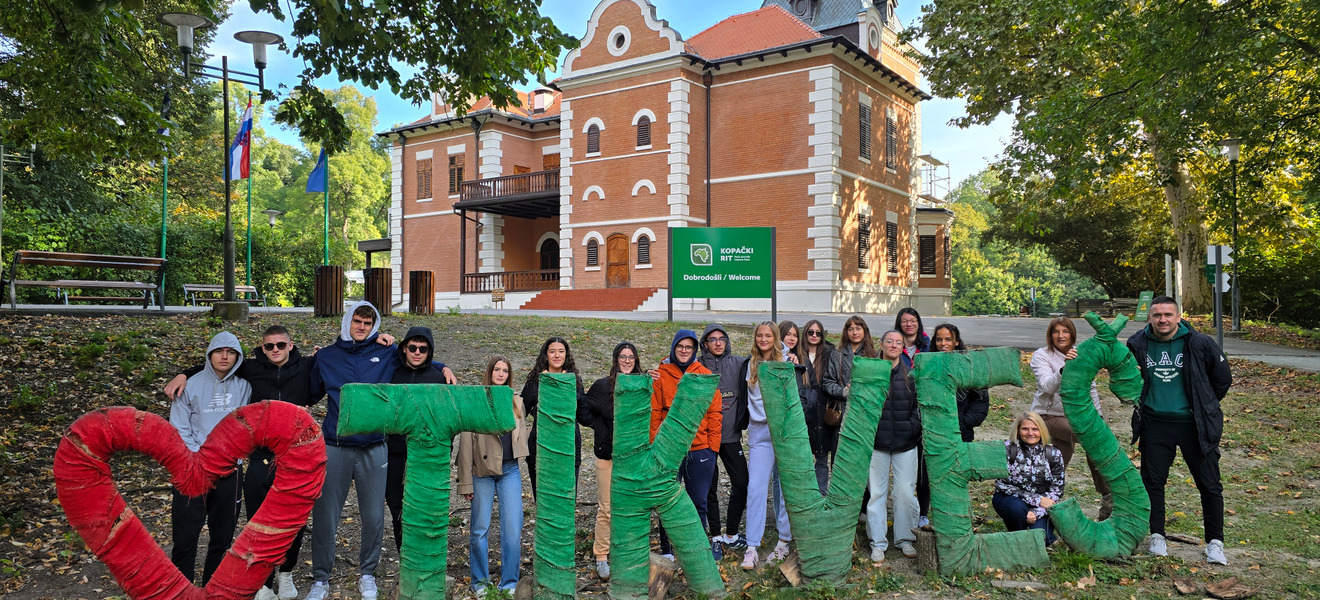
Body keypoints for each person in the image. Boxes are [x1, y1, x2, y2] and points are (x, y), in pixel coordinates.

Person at [163, 324, 328, 600]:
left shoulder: (288, 370)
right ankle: (187, 590)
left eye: (281, 345)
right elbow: (184, 419)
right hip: (211, 465)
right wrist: (183, 374)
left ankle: (243, 583)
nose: (275, 350)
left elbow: (334, 362)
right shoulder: (242, 373)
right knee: (194, 535)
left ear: (291, 345)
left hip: (263, 461)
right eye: (269, 346)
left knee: (235, 534)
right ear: (261, 348)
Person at [306, 302, 409, 600]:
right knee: (326, 515)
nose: (362, 327)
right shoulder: (326, 356)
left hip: (374, 447)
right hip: (335, 448)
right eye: (357, 321)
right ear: (347, 321)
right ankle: (320, 580)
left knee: (374, 515)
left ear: (374, 325)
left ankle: (367, 574)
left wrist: (443, 368)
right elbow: (309, 393)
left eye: (368, 322)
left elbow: (418, 361)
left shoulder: (388, 353)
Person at [1128, 296, 1232, 565]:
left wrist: (1202, 406)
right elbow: (1123, 376)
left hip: (1194, 426)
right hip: (1154, 423)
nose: (1163, 319)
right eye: (1157, 315)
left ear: (1178, 316)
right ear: (1149, 317)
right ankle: (1157, 537)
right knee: (1153, 483)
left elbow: (1222, 379)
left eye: (1168, 314)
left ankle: (1215, 543)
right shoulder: (1137, 343)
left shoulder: (1200, 343)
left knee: (1209, 484)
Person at [168, 331, 250, 585]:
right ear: (209, 354)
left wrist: (232, 456)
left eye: (231, 352)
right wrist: (198, 458)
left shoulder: (245, 386)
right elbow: (179, 427)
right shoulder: (190, 384)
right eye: (218, 351)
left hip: (229, 471)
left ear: (238, 356)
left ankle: (212, 589)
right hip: (192, 469)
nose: (224, 356)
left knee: (222, 538)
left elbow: (245, 426)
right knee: (185, 537)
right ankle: (181, 589)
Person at [457, 356, 529, 594]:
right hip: (482, 471)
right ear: (489, 372)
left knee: (513, 528)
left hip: (509, 470)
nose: (501, 374)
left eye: (505, 370)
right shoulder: (476, 400)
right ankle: (480, 582)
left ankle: (509, 582)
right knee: (479, 528)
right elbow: (466, 443)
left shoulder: (516, 401)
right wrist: (465, 481)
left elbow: (521, 435)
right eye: (496, 370)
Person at [1030, 317, 1112, 521]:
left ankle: (1043, 502)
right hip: (1049, 416)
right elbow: (1047, 386)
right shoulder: (1041, 356)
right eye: (1056, 332)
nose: (1060, 336)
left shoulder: (1081, 353)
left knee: (1056, 462)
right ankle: (1109, 498)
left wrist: (1098, 416)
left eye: (1065, 331)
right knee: (1094, 440)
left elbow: (1090, 387)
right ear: (1050, 335)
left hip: (1076, 416)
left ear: (1072, 334)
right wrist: (1065, 367)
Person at [651, 330, 723, 560]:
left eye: (689, 347)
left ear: (695, 350)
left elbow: (715, 412)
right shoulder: (660, 374)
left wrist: (712, 448)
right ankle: (667, 550)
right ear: (674, 348)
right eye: (680, 346)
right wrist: (656, 446)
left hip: (700, 447)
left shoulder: (704, 374)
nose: (684, 350)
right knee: (666, 501)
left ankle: (698, 550)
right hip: (668, 450)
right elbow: (654, 413)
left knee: (698, 502)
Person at [578, 342, 643, 581]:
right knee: (606, 508)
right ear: (615, 360)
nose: (627, 361)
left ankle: (627, 552)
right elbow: (583, 408)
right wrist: (600, 428)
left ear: (636, 361)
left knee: (631, 508)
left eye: (631, 357)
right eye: (622, 357)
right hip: (607, 458)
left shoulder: (641, 384)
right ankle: (602, 556)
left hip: (633, 459)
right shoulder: (603, 386)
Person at [916, 324, 989, 526]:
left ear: (956, 341)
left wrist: (963, 423)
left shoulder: (969, 365)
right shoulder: (927, 364)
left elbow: (980, 402)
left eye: (948, 339)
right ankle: (923, 514)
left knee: (956, 474)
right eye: (939, 339)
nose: (943, 343)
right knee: (925, 476)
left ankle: (957, 516)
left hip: (959, 432)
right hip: (929, 432)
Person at [387, 327, 449, 559]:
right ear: (404, 348)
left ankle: (425, 556)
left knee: (424, 507)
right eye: (412, 347)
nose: (417, 352)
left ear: (429, 351)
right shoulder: (392, 373)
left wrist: (443, 450)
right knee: (396, 506)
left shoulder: (438, 378)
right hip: (393, 453)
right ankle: (405, 555)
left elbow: (446, 420)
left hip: (425, 455)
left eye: (423, 349)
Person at [738, 322, 792, 569]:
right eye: (759, 335)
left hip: (782, 432)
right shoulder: (748, 365)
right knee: (756, 487)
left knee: (786, 488)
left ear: (775, 337)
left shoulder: (786, 363)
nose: (763, 339)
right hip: (759, 434)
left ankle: (783, 542)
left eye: (768, 335)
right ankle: (752, 546)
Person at [866, 331, 922, 565]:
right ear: (881, 344)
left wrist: (911, 429)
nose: (894, 345)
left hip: (905, 444)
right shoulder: (871, 373)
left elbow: (919, 408)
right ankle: (878, 543)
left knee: (904, 493)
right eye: (889, 341)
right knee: (876, 494)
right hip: (877, 444)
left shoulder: (911, 376)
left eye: (899, 342)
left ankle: (905, 538)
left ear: (902, 348)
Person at [698, 324, 750, 555]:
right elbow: (672, 367)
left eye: (722, 339)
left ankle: (731, 533)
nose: (718, 343)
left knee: (741, 482)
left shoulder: (738, 363)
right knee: (709, 488)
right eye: (713, 339)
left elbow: (762, 360)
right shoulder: (696, 366)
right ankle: (716, 536)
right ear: (705, 344)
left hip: (730, 436)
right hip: (706, 438)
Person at [521, 337, 584, 495]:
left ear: (566, 355)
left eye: (561, 351)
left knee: (566, 500)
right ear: (546, 355)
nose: (557, 355)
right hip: (540, 449)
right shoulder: (535, 382)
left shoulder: (574, 381)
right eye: (552, 351)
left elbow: (584, 413)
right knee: (543, 500)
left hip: (568, 448)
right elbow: (519, 412)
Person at [993, 412, 1065, 546]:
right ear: (1018, 430)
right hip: (1011, 499)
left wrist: (1036, 512)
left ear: (1041, 430)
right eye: (1025, 429)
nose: (1030, 433)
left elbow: (1057, 489)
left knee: (1041, 539)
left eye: (1035, 429)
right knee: (1015, 509)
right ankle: (1016, 537)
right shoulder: (1007, 449)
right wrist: (1036, 499)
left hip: (1041, 505)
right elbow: (1001, 484)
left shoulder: (1053, 453)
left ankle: (1045, 535)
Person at [797, 320, 836, 494]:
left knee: (821, 456)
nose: (814, 336)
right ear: (805, 334)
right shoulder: (796, 353)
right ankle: (806, 492)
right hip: (804, 408)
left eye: (818, 333)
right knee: (803, 455)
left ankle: (821, 493)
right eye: (810, 332)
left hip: (823, 410)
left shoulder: (829, 353)